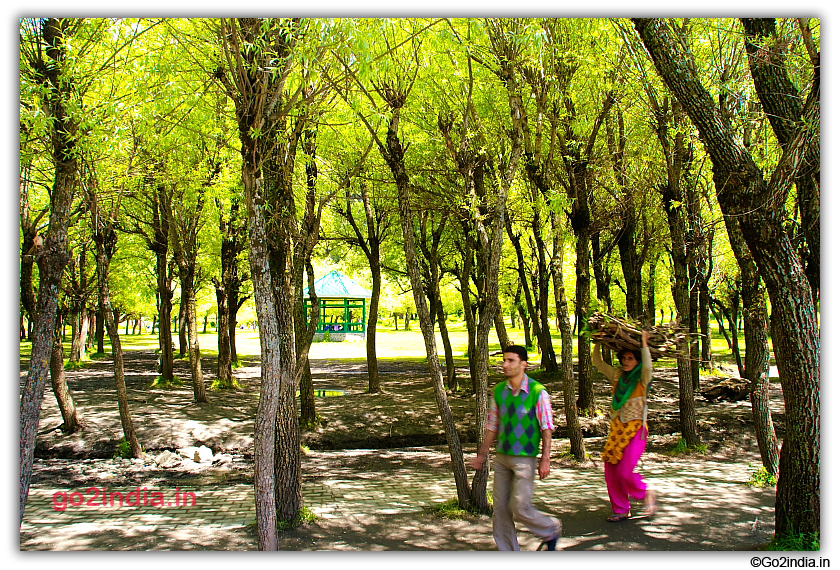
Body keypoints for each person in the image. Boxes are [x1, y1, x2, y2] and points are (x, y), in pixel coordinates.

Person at [471, 345, 563, 551]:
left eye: (511, 361)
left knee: (520, 507)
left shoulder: (538, 392)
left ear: (523, 364)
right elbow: (493, 425)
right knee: (501, 511)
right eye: (504, 360)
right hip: (502, 458)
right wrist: (482, 454)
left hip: (525, 458)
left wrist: (545, 458)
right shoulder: (500, 391)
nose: (505, 365)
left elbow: (546, 427)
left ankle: (551, 529)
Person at [592, 330, 658, 522]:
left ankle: (645, 492)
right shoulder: (617, 375)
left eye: (630, 358)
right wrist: (598, 342)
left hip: (636, 430)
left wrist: (644, 345)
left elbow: (648, 368)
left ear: (637, 360)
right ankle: (621, 509)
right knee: (611, 469)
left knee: (624, 470)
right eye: (624, 358)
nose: (626, 361)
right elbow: (598, 363)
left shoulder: (642, 379)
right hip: (617, 431)